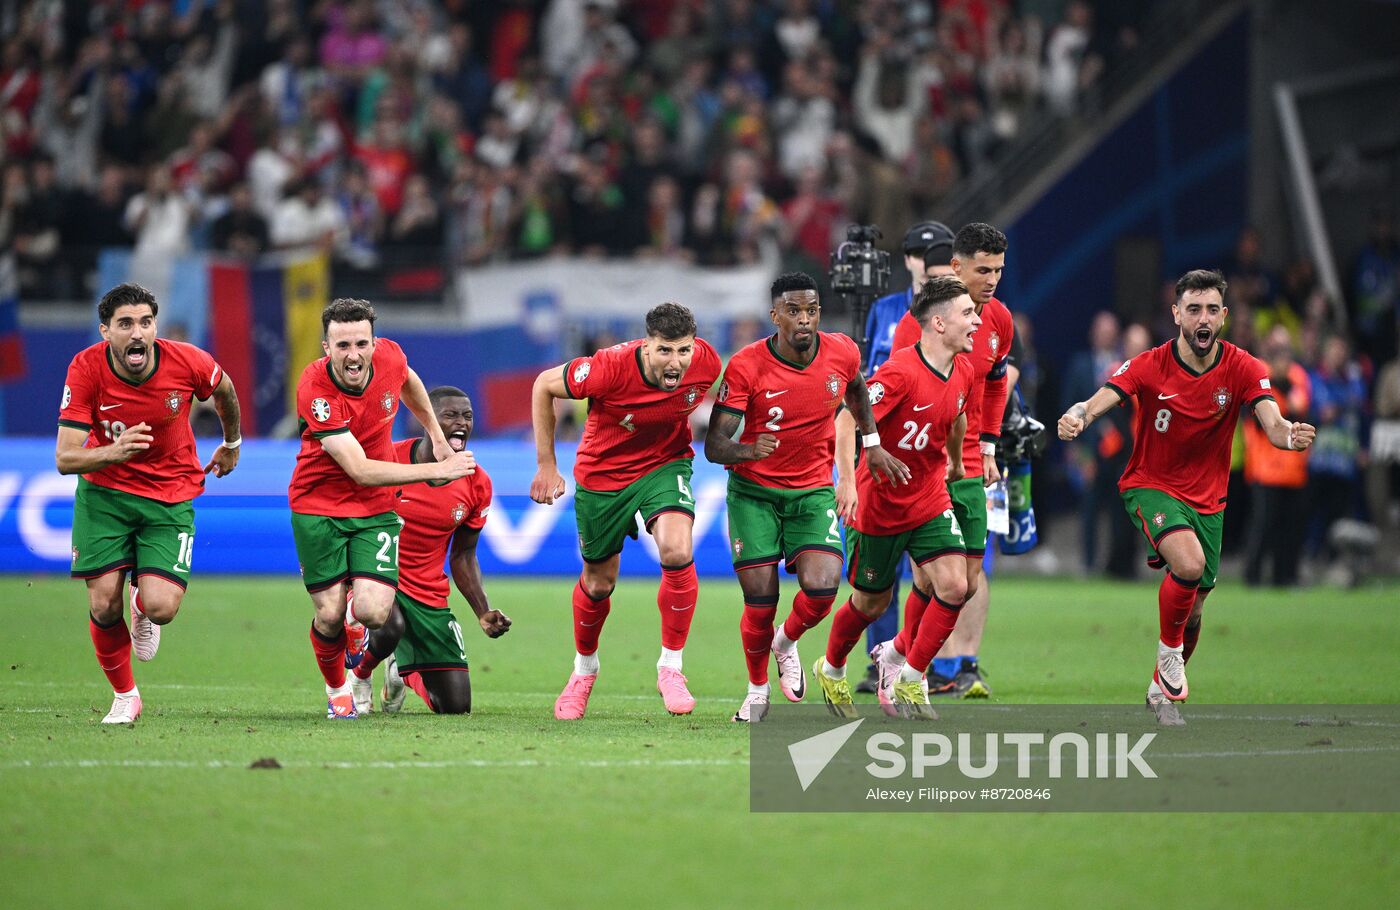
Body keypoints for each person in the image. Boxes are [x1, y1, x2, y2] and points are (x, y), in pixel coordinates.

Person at [1058, 269, 1316, 725]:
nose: (1203, 317)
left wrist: (1288, 435)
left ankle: (1160, 689)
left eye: (1212, 309)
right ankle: (1169, 654)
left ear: (1224, 317)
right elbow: (1102, 397)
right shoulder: (1150, 364)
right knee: (1189, 565)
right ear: (1176, 314)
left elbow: (1272, 423)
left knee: (1195, 607)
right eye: (1193, 308)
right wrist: (1079, 415)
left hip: (1209, 500)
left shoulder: (1244, 367)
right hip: (1151, 485)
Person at [705, 272, 908, 722]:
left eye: (811, 310)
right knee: (760, 600)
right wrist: (745, 449)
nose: (804, 319)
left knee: (822, 590)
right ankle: (757, 690)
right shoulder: (745, 365)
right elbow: (714, 446)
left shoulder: (843, 351)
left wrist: (872, 443)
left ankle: (786, 641)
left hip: (812, 489)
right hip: (754, 494)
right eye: (793, 311)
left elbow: (856, 390)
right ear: (774, 315)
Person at [56, 283, 243, 724]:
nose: (137, 333)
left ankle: (143, 603)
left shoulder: (188, 361)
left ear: (155, 326)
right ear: (105, 331)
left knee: (162, 607)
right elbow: (65, 457)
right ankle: (125, 696)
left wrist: (231, 442)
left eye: (145, 322)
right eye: (125, 324)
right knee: (103, 603)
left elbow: (226, 390)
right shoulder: (85, 369)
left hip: (170, 493)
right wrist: (113, 452)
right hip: (105, 496)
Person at [530, 302, 722, 720]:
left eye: (683, 351)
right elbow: (543, 386)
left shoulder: (707, 362)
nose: (676, 362)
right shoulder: (608, 368)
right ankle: (584, 671)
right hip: (604, 473)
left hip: (664, 464)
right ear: (646, 344)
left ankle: (671, 668)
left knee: (676, 549)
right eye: (665, 351)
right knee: (599, 582)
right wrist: (547, 465)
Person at [288, 299, 475, 720]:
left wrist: (436, 434)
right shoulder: (315, 389)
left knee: (373, 611)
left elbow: (408, 380)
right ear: (325, 347)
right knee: (330, 614)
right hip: (318, 506)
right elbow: (357, 470)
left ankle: (360, 653)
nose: (353, 355)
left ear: (374, 343)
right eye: (342, 346)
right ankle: (337, 688)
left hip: (374, 509)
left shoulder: (390, 355)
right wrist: (433, 468)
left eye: (361, 343)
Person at [812, 275, 979, 719]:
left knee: (955, 584)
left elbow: (958, 416)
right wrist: (846, 480)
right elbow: (847, 420)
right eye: (967, 313)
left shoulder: (964, 367)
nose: (976, 321)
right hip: (881, 503)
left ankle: (909, 677)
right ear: (939, 323)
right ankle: (830, 667)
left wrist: (957, 463)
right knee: (872, 602)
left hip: (928, 496)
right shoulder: (900, 372)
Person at [884, 222, 1014, 698]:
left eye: (999, 269)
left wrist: (989, 443)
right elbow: (900, 391)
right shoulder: (916, 323)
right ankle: (916, 669)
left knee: (970, 578)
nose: (993, 279)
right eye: (984, 269)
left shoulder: (998, 320)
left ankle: (902, 655)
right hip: (930, 464)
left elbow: (997, 380)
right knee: (933, 575)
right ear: (957, 266)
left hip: (976, 464)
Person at [348, 387, 511, 715]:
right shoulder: (386, 460)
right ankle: (359, 675)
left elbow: (463, 555)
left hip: (428, 594)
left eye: (467, 415)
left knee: (455, 707)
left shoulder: (477, 483)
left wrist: (482, 610)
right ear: (427, 422)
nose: (461, 423)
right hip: (376, 577)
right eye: (449, 415)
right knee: (388, 624)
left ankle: (401, 674)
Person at [855, 220, 955, 693]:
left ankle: (912, 662)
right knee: (878, 583)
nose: (936, 271)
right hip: (880, 448)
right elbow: (863, 381)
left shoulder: (957, 319)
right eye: (930, 261)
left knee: (942, 574)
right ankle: (881, 662)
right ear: (912, 261)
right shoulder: (886, 312)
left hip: (927, 461)